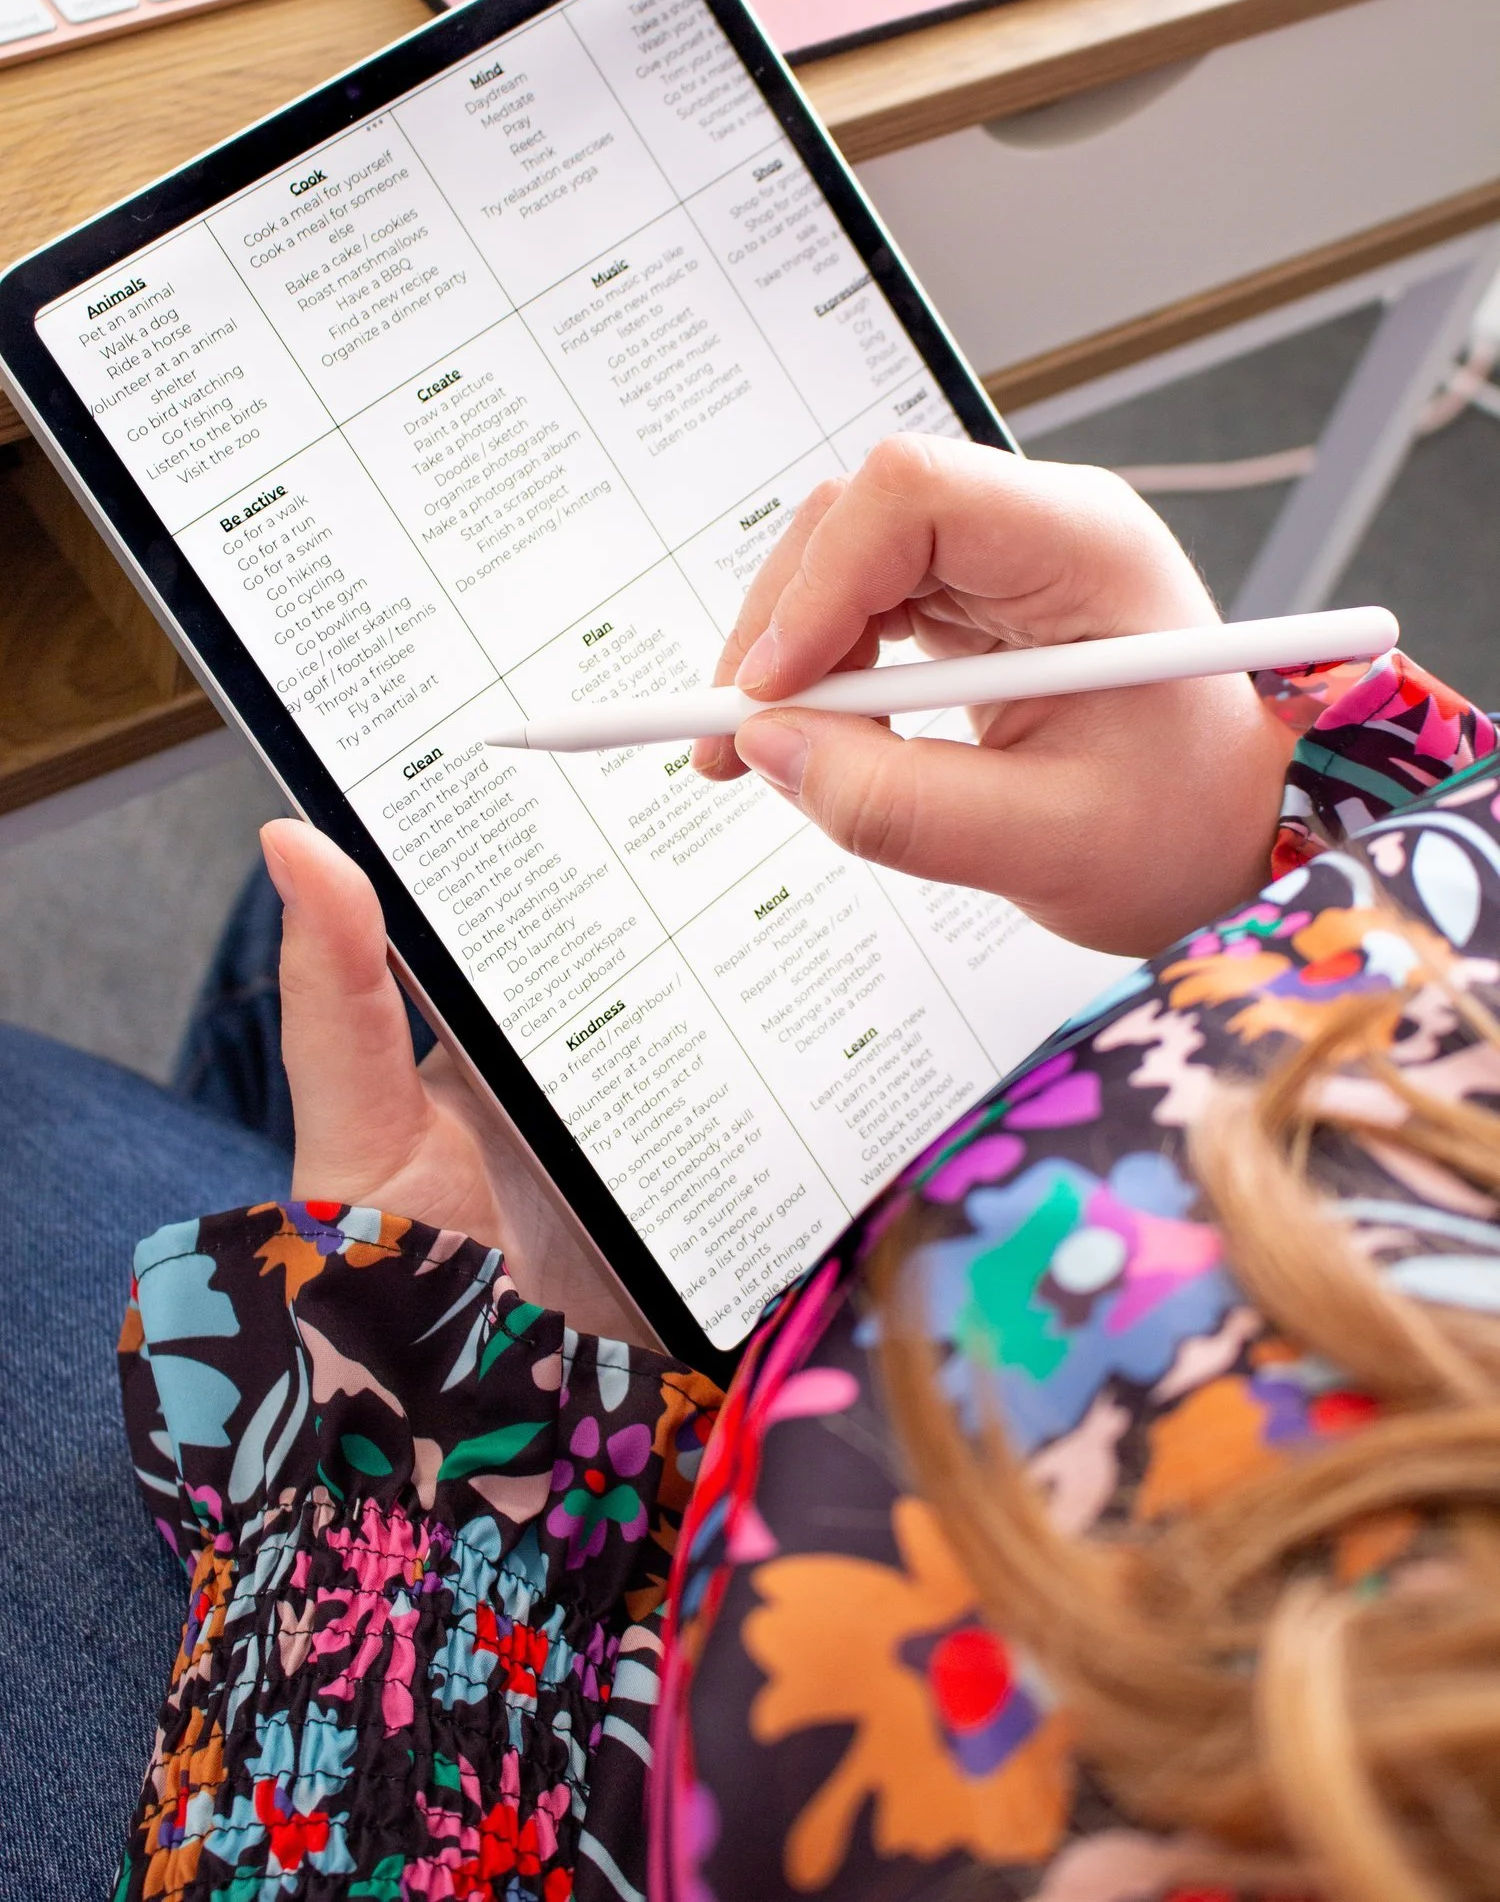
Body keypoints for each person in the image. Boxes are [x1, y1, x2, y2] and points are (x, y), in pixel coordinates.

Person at [5, 440, 1500, 1902]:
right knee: (310, 971)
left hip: (497, 1643)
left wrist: (437, 1429)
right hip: (722, 1359)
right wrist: (1282, 824)